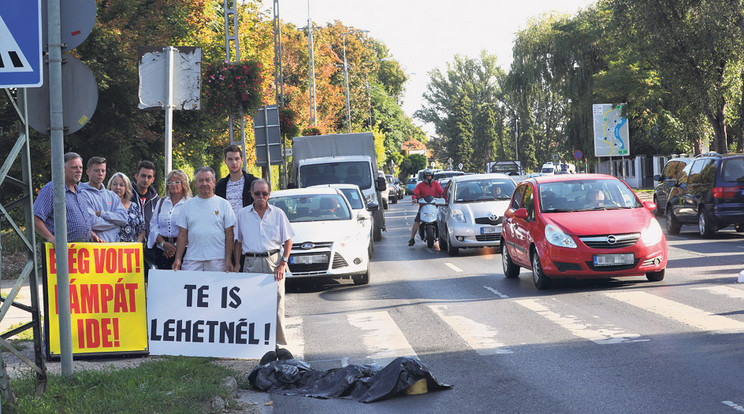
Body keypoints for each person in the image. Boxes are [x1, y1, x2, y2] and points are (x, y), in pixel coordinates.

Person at [233, 179, 294, 360]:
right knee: (252, 303)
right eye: (257, 193)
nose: (261, 197)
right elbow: (238, 242)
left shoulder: (278, 214)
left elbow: (288, 240)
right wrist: (237, 264)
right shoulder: (242, 214)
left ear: (269, 194)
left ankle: (277, 345)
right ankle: (256, 343)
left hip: (273, 262)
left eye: (265, 194)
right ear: (251, 194)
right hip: (251, 262)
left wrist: (283, 263)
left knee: (276, 303)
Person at [172, 167, 236, 272]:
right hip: (192, 260)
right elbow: (182, 235)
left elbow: (229, 234)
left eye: (207, 180)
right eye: (200, 180)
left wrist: (228, 259)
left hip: (218, 260)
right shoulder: (186, 206)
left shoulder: (224, 204)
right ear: (195, 183)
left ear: (214, 182)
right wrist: (178, 259)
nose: (204, 183)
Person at [33, 152, 97, 244]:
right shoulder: (52, 188)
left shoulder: (79, 192)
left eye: (81, 167)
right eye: (74, 167)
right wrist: (51, 238)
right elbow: (35, 218)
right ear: (63, 169)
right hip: (62, 251)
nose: (79, 170)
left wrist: (91, 234)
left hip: (82, 250)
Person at [147, 170, 191, 269]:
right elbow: (153, 225)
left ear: (183, 184)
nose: (173, 185)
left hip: (184, 251)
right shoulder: (161, 202)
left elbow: (191, 228)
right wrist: (163, 243)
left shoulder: (190, 203)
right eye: (170, 182)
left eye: (177, 182)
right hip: (161, 250)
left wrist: (174, 247)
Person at [80, 157, 129, 243]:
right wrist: (115, 223)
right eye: (96, 171)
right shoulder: (82, 194)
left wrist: (101, 214)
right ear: (88, 172)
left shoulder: (112, 195)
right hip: (93, 247)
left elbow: (124, 218)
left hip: (113, 248)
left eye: (103, 171)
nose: (100, 174)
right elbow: (92, 222)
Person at [215, 145, 259, 217]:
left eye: (237, 159)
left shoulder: (253, 183)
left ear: (242, 160)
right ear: (225, 161)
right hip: (228, 227)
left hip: (249, 225)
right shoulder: (220, 185)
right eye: (230, 159)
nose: (234, 162)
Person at [409, 169, 444, 246]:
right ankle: (412, 238)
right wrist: (414, 198)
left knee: (441, 221)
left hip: (434, 207)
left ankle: (443, 238)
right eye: (427, 176)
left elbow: (441, 192)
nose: (429, 177)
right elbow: (415, 193)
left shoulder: (436, 184)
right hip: (423, 207)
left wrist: (442, 198)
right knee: (417, 221)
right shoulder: (420, 185)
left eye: (430, 176)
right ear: (424, 176)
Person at [107, 172, 145, 243]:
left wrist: (137, 245)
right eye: (115, 184)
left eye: (121, 185)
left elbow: (141, 230)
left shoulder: (134, 207)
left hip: (130, 251)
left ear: (126, 188)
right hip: (110, 250)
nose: (118, 187)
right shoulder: (104, 206)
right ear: (110, 186)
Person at [131, 160, 160, 238]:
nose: (146, 180)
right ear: (136, 176)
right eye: (143, 176)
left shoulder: (156, 200)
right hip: (131, 245)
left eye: (149, 177)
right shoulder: (127, 196)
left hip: (151, 247)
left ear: (153, 179)